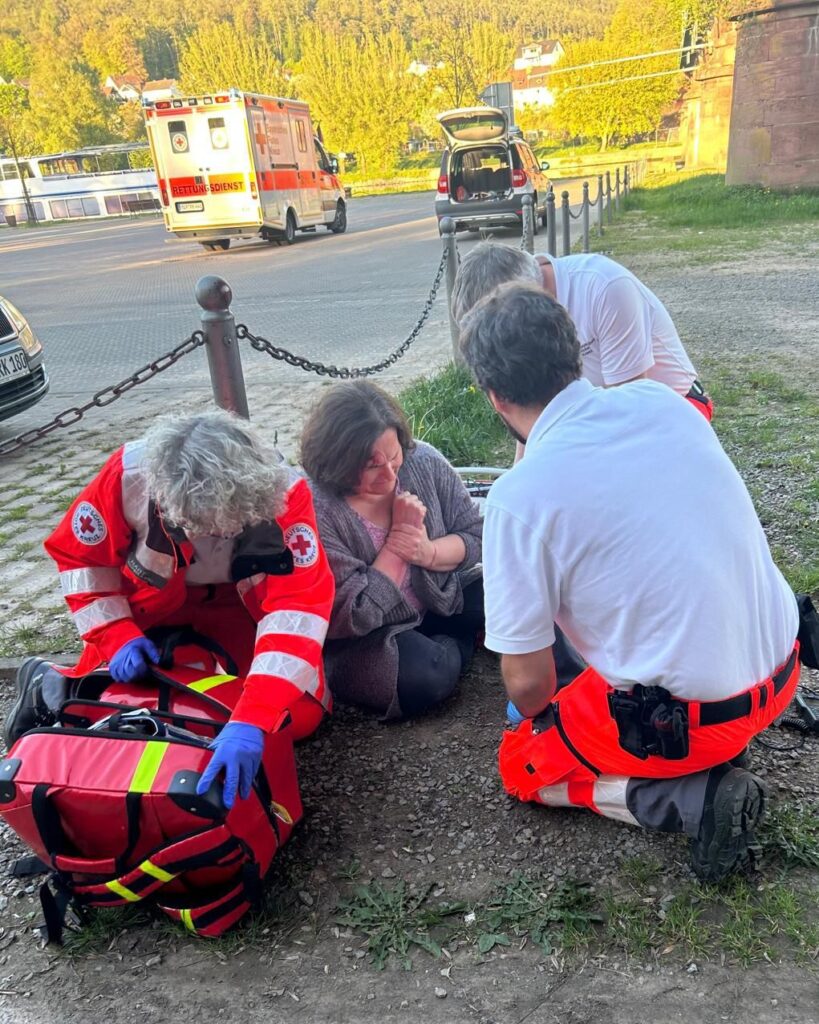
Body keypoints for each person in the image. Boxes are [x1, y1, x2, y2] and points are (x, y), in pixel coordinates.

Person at [458, 282, 800, 881]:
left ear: (495, 396)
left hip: (698, 720)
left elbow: (530, 688)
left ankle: (694, 798)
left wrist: (535, 709)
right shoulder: (661, 401)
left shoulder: (519, 496)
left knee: (522, 763)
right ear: (573, 352)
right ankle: (707, 749)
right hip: (781, 667)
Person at [3, 410, 335, 808]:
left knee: (296, 717)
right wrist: (116, 634)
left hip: (241, 604)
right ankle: (50, 685)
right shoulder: (129, 477)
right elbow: (83, 563)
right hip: (155, 606)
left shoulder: (283, 491)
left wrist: (254, 715)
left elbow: (298, 608)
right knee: (122, 706)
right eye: (201, 526)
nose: (215, 536)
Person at [300, 380, 483, 719]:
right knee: (428, 677)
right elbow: (352, 616)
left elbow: (477, 535)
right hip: (371, 639)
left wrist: (427, 553)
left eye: (394, 456)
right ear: (337, 462)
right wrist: (399, 543)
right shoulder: (317, 509)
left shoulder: (422, 460)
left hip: (440, 599)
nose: (388, 475)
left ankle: (450, 640)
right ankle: (459, 640)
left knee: (514, 589)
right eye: (372, 465)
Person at [451, 242, 714, 425]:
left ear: (515, 300)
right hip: (594, 415)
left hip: (676, 409)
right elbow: (533, 415)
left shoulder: (605, 288)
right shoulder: (523, 316)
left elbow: (629, 413)